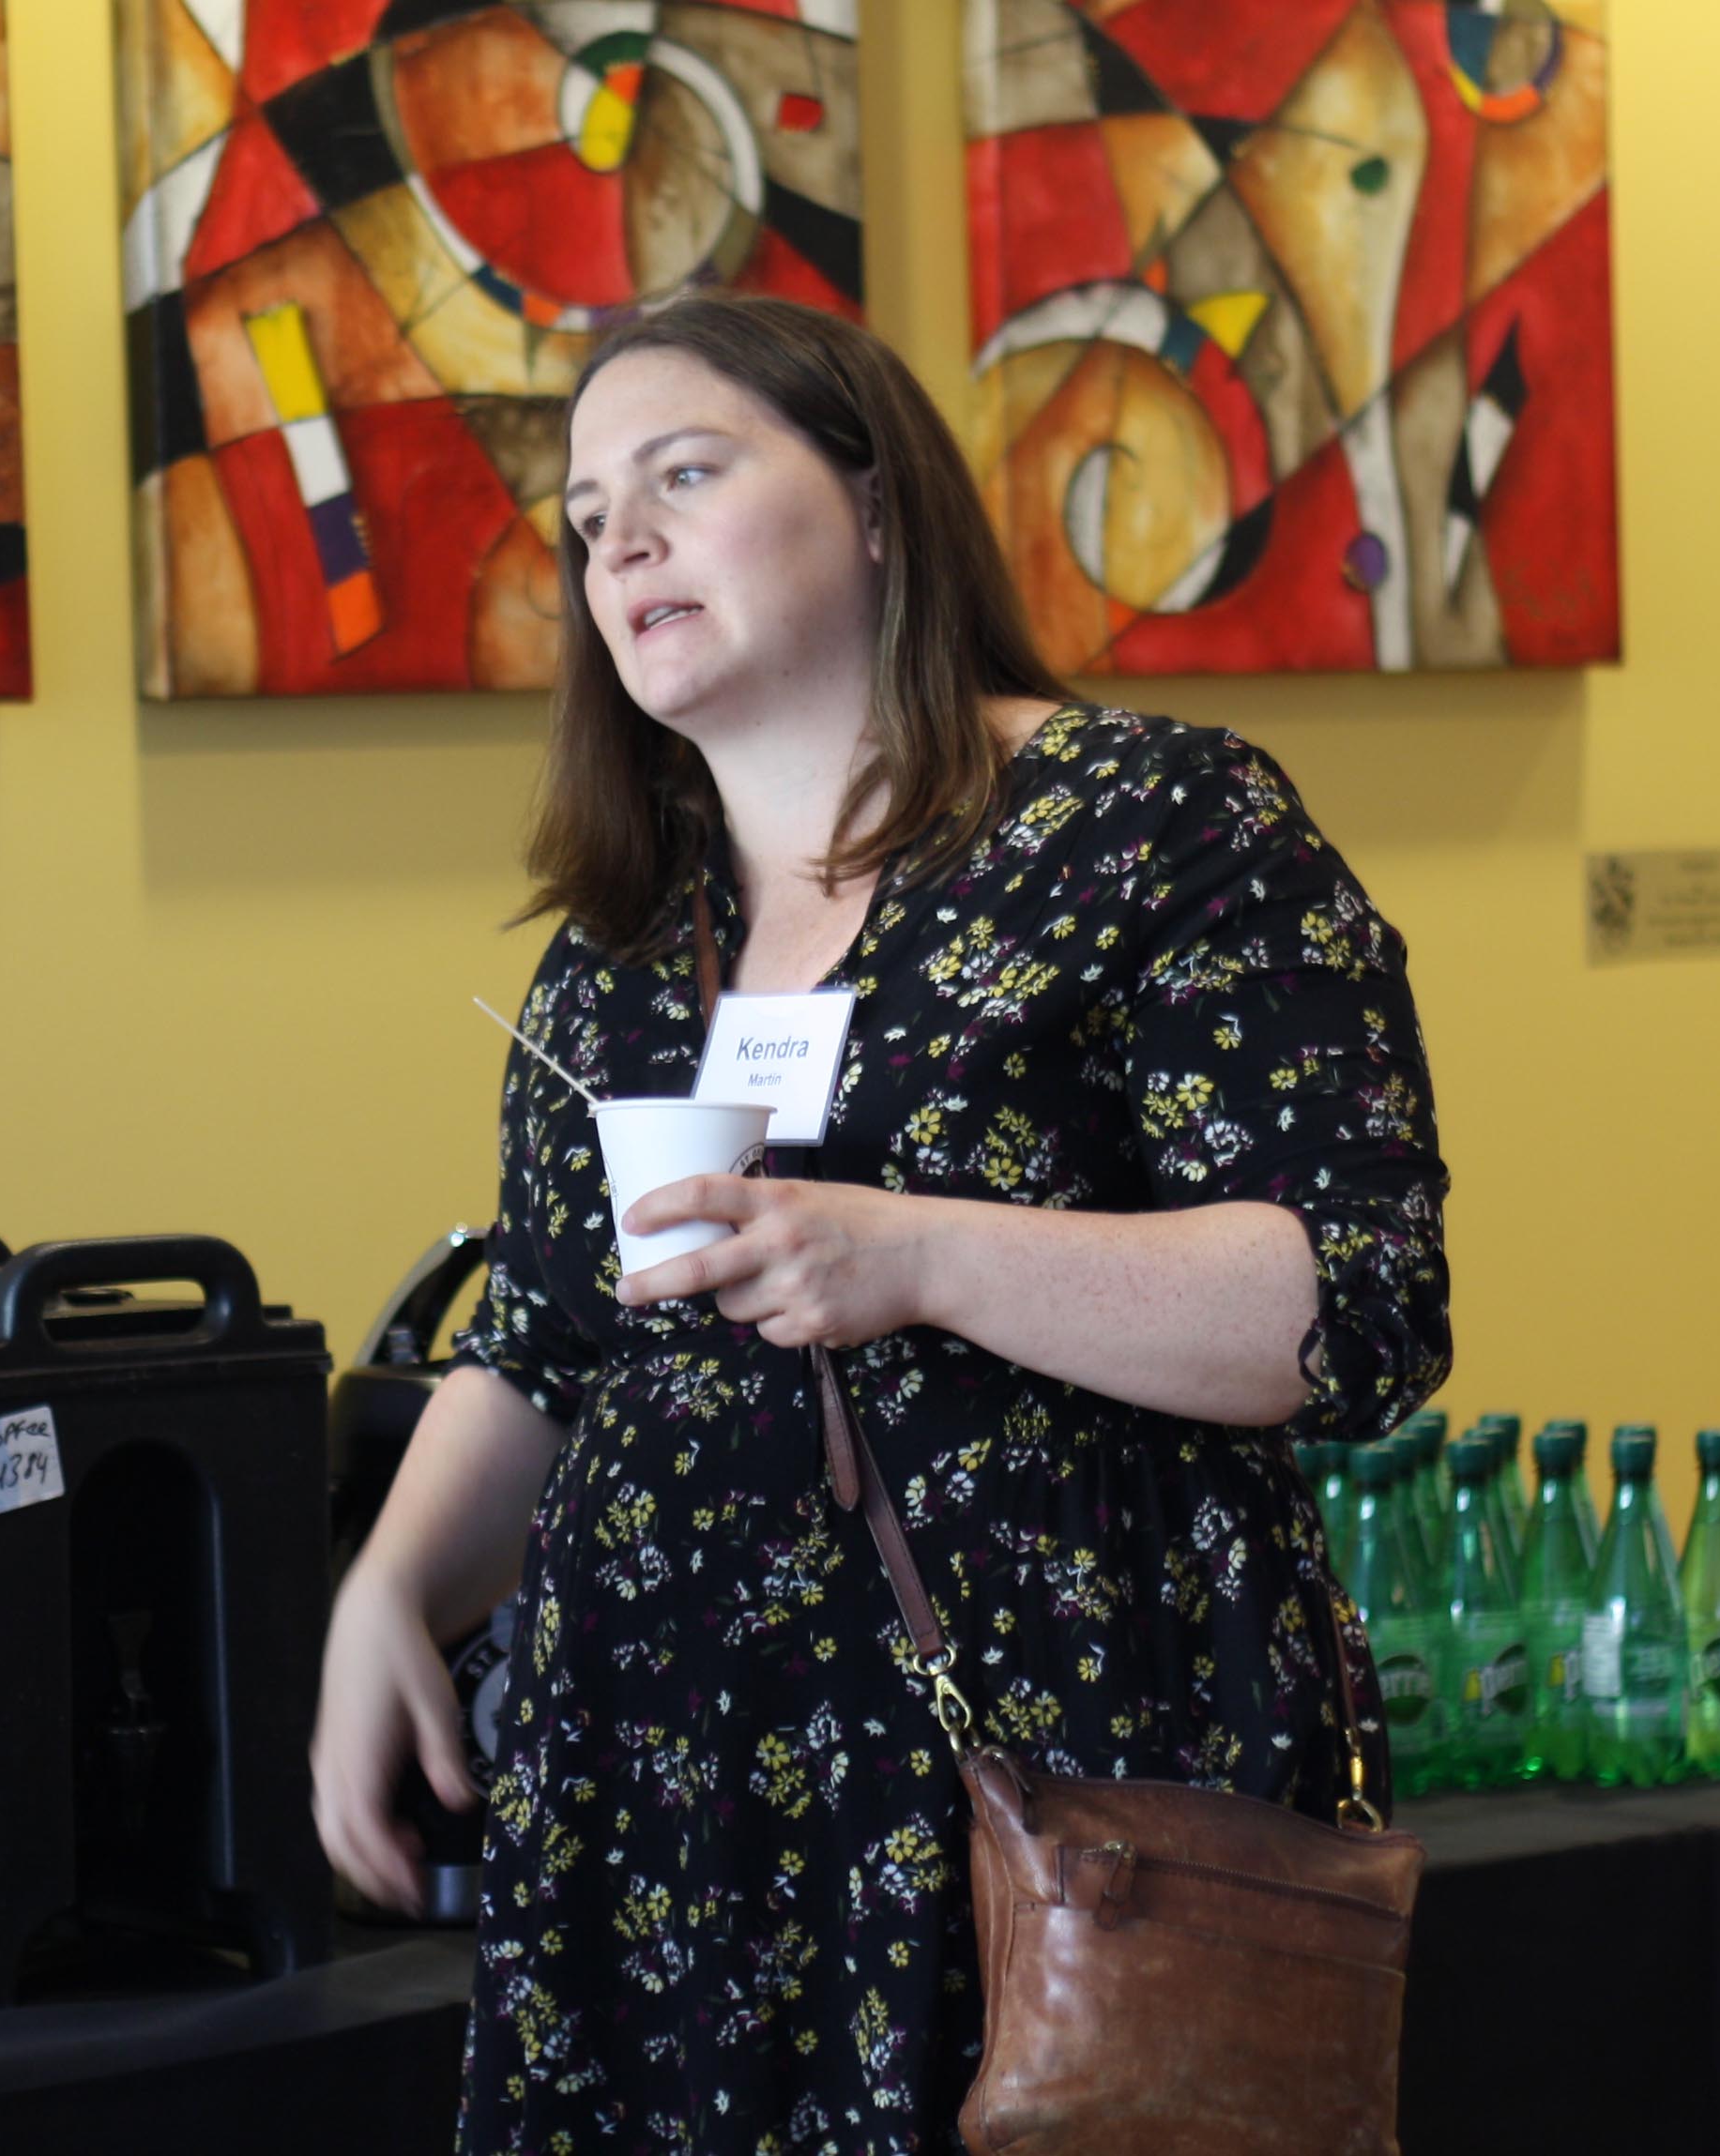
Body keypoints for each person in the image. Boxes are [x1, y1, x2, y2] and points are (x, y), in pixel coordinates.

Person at [311, 294, 1450, 2151]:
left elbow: (1346, 1307)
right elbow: (545, 1345)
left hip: (1065, 1797)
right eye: (592, 519)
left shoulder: (1151, 824)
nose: (626, 545)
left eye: (687, 475)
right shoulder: (608, 962)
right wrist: (387, 1594)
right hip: (671, 1818)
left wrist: (916, 1251)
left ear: (879, 508)